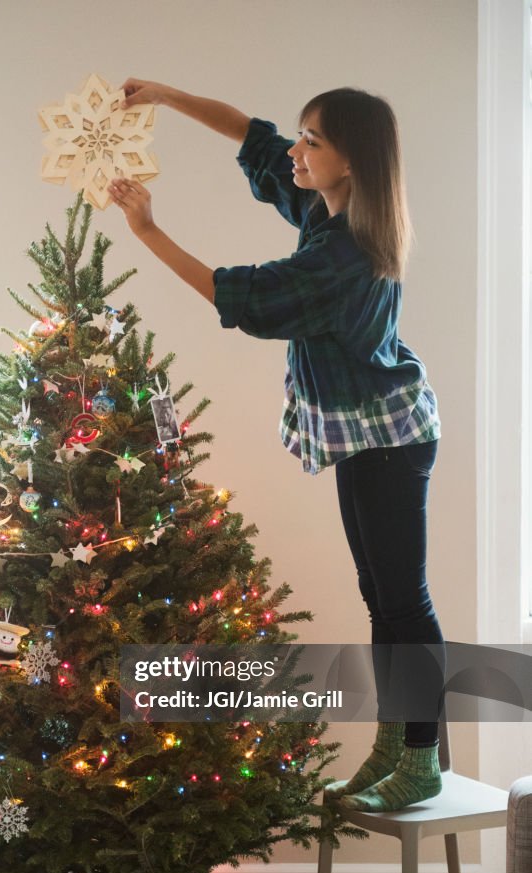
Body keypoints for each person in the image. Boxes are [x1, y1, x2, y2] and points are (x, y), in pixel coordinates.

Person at [107, 79, 444, 812]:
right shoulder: (331, 215)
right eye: (302, 136)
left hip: (389, 438)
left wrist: (146, 230)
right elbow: (251, 135)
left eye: (312, 141)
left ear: (350, 161)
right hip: (367, 433)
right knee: (380, 597)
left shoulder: (344, 256)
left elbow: (244, 298)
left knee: (403, 600)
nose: (296, 150)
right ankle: (396, 744)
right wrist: (162, 95)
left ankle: (423, 759)